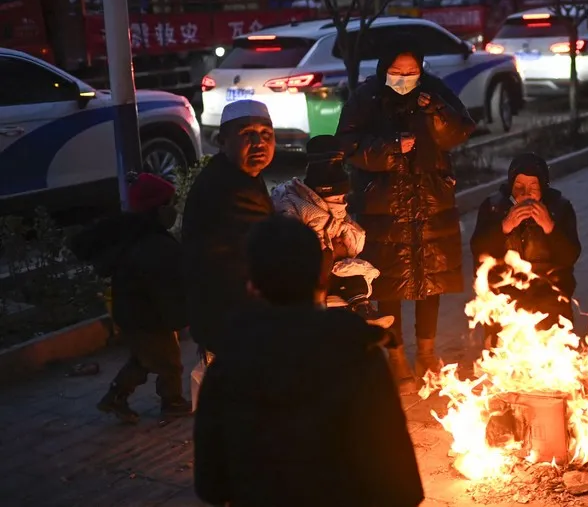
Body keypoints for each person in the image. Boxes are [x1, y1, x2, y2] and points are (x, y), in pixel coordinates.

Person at [193, 215, 423, 507]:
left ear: (251, 285)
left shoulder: (226, 368)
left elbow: (210, 485)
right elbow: (403, 488)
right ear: (323, 278)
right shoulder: (358, 357)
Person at [336, 49, 476, 394]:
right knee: (388, 282)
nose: (404, 79)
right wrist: (390, 148)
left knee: (431, 278)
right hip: (384, 203)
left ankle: (427, 353)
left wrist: (436, 110)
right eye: (396, 72)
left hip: (431, 199)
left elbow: (458, 132)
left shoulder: (435, 92)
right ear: (384, 69)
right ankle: (396, 354)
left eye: (411, 71)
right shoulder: (367, 97)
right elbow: (348, 143)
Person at [72, 173, 189, 424]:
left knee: (143, 359)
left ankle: (115, 396)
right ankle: (172, 401)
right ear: (155, 209)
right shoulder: (153, 246)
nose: (174, 210)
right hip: (148, 318)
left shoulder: (139, 238)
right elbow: (165, 289)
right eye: (169, 204)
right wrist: (181, 317)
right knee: (169, 363)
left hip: (134, 315)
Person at [183, 99, 275, 360]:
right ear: (222, 141)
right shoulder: (230, 189)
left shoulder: (241, 176)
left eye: (266, 134)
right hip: (231, 317)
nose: (259, 142)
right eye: (247, 134)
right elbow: (270, 248)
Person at [271, 135, 393, 328]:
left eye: (344, 197)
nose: (342, 202)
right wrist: (330, 251)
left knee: (354, 276)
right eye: (337, 198)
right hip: (313, 276)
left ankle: (365, 310)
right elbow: (297, 244)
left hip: (336, 268)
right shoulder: (295, 206)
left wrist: (346, 245)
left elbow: (352, 237)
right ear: (320, 193)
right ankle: (361, 310)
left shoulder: (337, 211)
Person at [470, 153, 581, 338]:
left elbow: (570, 256)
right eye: (519, 187)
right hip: (505, 295)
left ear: (543, 187)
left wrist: (549, 226)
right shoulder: (493, 207)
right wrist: (504, 226)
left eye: (533, 187)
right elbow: (478, 250)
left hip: (548, 294)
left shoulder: (560, 208)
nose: (525, 194)